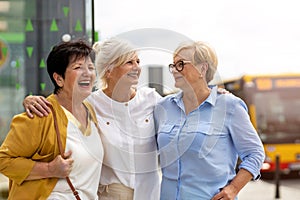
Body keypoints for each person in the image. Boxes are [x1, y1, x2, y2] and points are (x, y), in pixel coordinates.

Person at [22, 37, 161, 200]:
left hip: (151, 194)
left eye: (138, 61)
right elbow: (61, 103)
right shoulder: (90, 103)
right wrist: (30, 100)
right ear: (109, 70)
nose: (137, 67)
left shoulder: (151, 99)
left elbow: (180, 112)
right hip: (110, 195)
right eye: (129, 62)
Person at [154, 41, 265, 200]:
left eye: (181, 64)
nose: (174, 71)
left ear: (202, 68)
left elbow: (255, 153)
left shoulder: (230, 106)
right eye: (173, 65)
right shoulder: (163, 107)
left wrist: (233, 189)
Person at [0, 39, 103, 199]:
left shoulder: (91, 110)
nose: (87, 73)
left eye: (90, 67)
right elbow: (3, 160)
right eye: (78, 68)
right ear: (58, 78)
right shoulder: (40, 114)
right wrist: (49, 169)